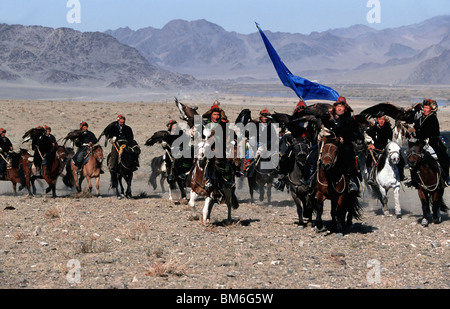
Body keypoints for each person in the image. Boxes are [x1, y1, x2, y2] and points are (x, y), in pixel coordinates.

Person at [406, 99, 450, 187]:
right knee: (412, 157)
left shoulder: (432, 118)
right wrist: (410, 131)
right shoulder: (419, 119)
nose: (425, 109)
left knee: (443, 156)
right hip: (421, 142)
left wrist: (415, 133)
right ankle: (414, 180)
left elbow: (425, 132)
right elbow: (416, 128)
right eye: (424, 107)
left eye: (427, 107)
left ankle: (446, 178)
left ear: (431, 109)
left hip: (432, 141)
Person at [327, 96, 362, 192]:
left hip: (345, 145)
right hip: (330, 144)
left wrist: (344, 139)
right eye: (337, 106)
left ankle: (352, 181)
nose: (339, 108)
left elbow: (356, 135)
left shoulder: (350, 120)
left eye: (341, 106)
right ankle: (312, 180)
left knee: (348, 153)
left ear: (345, 108)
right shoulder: (330, 118)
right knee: (314, 155)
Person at [366, 113, 406, 186]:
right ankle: (370, 177)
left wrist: (374, 146)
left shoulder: (388, 128)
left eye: (382, 119)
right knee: (368, 159)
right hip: (376, 149)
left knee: (400, 159)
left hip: (386, 149)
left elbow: (384, 140)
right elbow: (369, 133)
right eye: (379, 119)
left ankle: (401, 174)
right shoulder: (375, 127)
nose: (381, 121)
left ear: (385, 120)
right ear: (377, 120)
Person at [202, 103, 230, 188]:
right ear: (211, 115)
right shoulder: (205, 123)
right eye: (214, 114)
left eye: (218, 114)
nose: (216, 116)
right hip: (206, 145)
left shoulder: (222, 122)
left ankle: (228, 180)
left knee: (226, 162)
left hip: (219, 146)